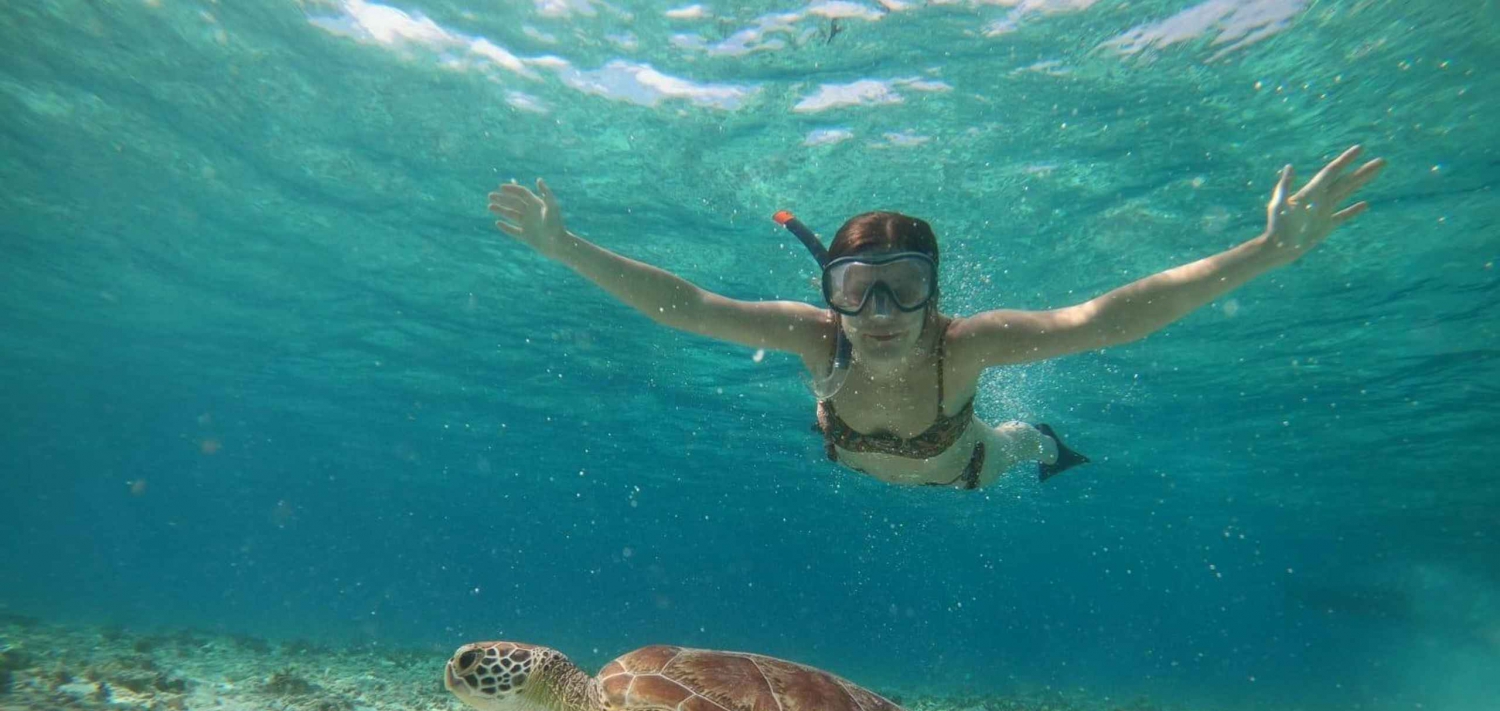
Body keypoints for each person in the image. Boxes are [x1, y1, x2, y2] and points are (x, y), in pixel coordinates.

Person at [487, 145, 1384, 491]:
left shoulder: (969, 344)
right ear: (829, 290)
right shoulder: (813, 336)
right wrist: (567, 246)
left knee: (1021, 447)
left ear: (937, 291)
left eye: (903, 286)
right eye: (857, 288)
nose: (879, 312)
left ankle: (1043, 442)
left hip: (967, 465)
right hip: (853, 451)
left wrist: (1264, 252)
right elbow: (691, 307)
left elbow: (1108, 318)